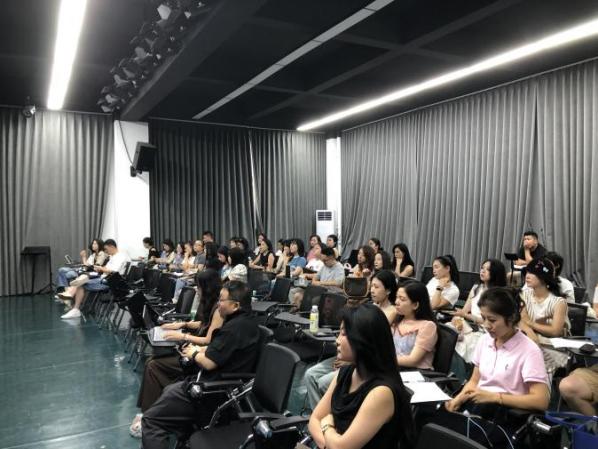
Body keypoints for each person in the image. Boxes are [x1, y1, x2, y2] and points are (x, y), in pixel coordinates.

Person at [141, 282, 260, 449]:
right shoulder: (245, 322)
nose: (218, 303)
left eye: (222, 300)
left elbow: (209, 363)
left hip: (210, 391)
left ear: (235, 305)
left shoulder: (234, 328)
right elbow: (222, 350)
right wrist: (201, 349)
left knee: (151, 421)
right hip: (216, 384)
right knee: (168, 389)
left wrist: (194, 353)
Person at [440, 287, 550, 445]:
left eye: (492, 320)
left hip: (508, 414)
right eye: (483, 318)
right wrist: (458, 399)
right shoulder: (485, 341)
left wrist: (496, 397)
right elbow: (474, 381)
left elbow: (541, 401)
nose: (486, 325)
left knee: (462, 438)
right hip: (480, 404)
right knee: (436, 422)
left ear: (511, 318)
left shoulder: (529, 350)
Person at [129, 269, 223, 438]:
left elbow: (208, 340)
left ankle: (149, 416)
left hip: (199, 354)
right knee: (152, 363)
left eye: (199, 287)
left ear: (207, 287)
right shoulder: (211, 304)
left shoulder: (218, 309)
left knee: (153, 366)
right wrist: (181, 325)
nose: (197, 290)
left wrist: (183, 336)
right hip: (193, 348)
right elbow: (203, 323)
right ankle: (150, 413)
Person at [308, 304, 414, 449]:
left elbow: (341, 447)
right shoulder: (344, 373)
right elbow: (314, 419)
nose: (337, 341)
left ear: (363, 340)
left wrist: (327, 425)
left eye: (344, 334)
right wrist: (329, 443)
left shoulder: (381, 392)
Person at [518, 257, 569, 375]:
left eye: (532, 273)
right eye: (527, 272)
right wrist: (530, 331)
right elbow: (520, 320)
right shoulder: (523, 294)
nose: (527, 276)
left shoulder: (558, 302)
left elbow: (555, 331)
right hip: (528, 340)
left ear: (544, 277)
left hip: (550, 346)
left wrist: (530, 323)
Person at [61, 239, 130, 319]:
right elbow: (107, 268)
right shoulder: (113, 256)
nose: (106, 251)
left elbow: (113, 272)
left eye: (106, 249)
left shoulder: (120, 257)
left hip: (109, 282)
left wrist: (101, 268)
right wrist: (100, 268)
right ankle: (73, 302)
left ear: (112, 247)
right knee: (81, 280)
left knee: (81, 283)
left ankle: (73, 303)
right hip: (104, 278)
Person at [393, 281, 437, 369]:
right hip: (396, 368)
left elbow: (413, 360)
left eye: (402, 299)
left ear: (415, 305)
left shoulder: (428, 326)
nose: (396, 302)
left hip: (416, 372)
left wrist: (384, 360)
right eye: (397, 297)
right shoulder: (399, 320)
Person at [453, 259, 507, 325]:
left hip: (486, 327)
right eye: (482, 268)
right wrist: (457, 318)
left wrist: (465, 315)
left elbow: (488, 322)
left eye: (488, 269)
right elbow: (464, 311)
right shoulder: (476, 287)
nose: (483, 271)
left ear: (496, 273)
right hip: (471, 324)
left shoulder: (498, 294)